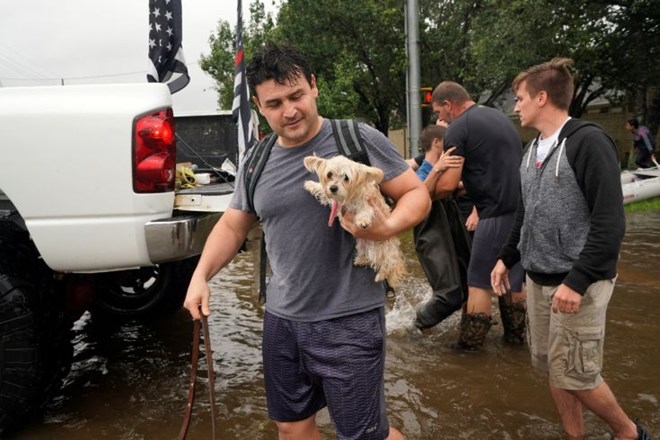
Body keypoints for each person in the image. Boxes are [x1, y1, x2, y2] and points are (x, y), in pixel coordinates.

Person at [183, 43, 430, 440]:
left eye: (297, 95)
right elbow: (232, 226)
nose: (290, 110)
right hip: (282, 321)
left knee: (365, 434)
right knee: (290, 428)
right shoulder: (256, 159)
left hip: (349, 319)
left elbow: (417, 195)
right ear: (260, 107)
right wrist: (200, 277)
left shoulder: (357, 139)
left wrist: (386, 228)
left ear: (314, 87)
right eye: (275, 103)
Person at [491, 58, 652, 440]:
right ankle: (573, 436)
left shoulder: (589, 142)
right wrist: (505, 258)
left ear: (542, 97)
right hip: (539, 278)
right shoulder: (531, 151)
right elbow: (525, 214)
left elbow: (611, 224)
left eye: (520, 98)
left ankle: (629, 433)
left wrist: (577, 282)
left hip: (579, 283)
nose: (516, 106)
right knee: (554, 368)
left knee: (577, 374)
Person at [428, 81, 526, 349]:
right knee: (512, 278)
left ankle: (470, 350)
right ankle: (516, 341)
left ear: (449, 105)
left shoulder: (458, 128)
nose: (439, 119)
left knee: (479, 282)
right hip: (520, 213)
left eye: (439, 111)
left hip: (493, 215)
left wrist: (427, 195)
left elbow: (447, 185)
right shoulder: (498, 116)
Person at [411, 125, 471, 330]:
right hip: (431, 233)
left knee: (467, 285)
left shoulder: (445, 171)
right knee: (449, 296)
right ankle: (413, 326)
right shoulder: (424, 171)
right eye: (447, 140)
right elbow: (420, 197)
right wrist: (437, 169)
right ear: (437, 142)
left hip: (449, 229)